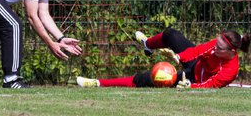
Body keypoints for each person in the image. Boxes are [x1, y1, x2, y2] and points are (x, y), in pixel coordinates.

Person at [77, 28, 250, 89]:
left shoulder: (230, 70)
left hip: (193, 80)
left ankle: (97, 83)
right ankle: (148, 44)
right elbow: (197, 51)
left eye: (219, 48)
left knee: (146, 78)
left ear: (231, 51)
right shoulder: (217, 43)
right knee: (171, 34)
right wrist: (177, 56)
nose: (215, 47)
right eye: (217, 43)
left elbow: (210, 85)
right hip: (196, 64)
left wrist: (190, 86)